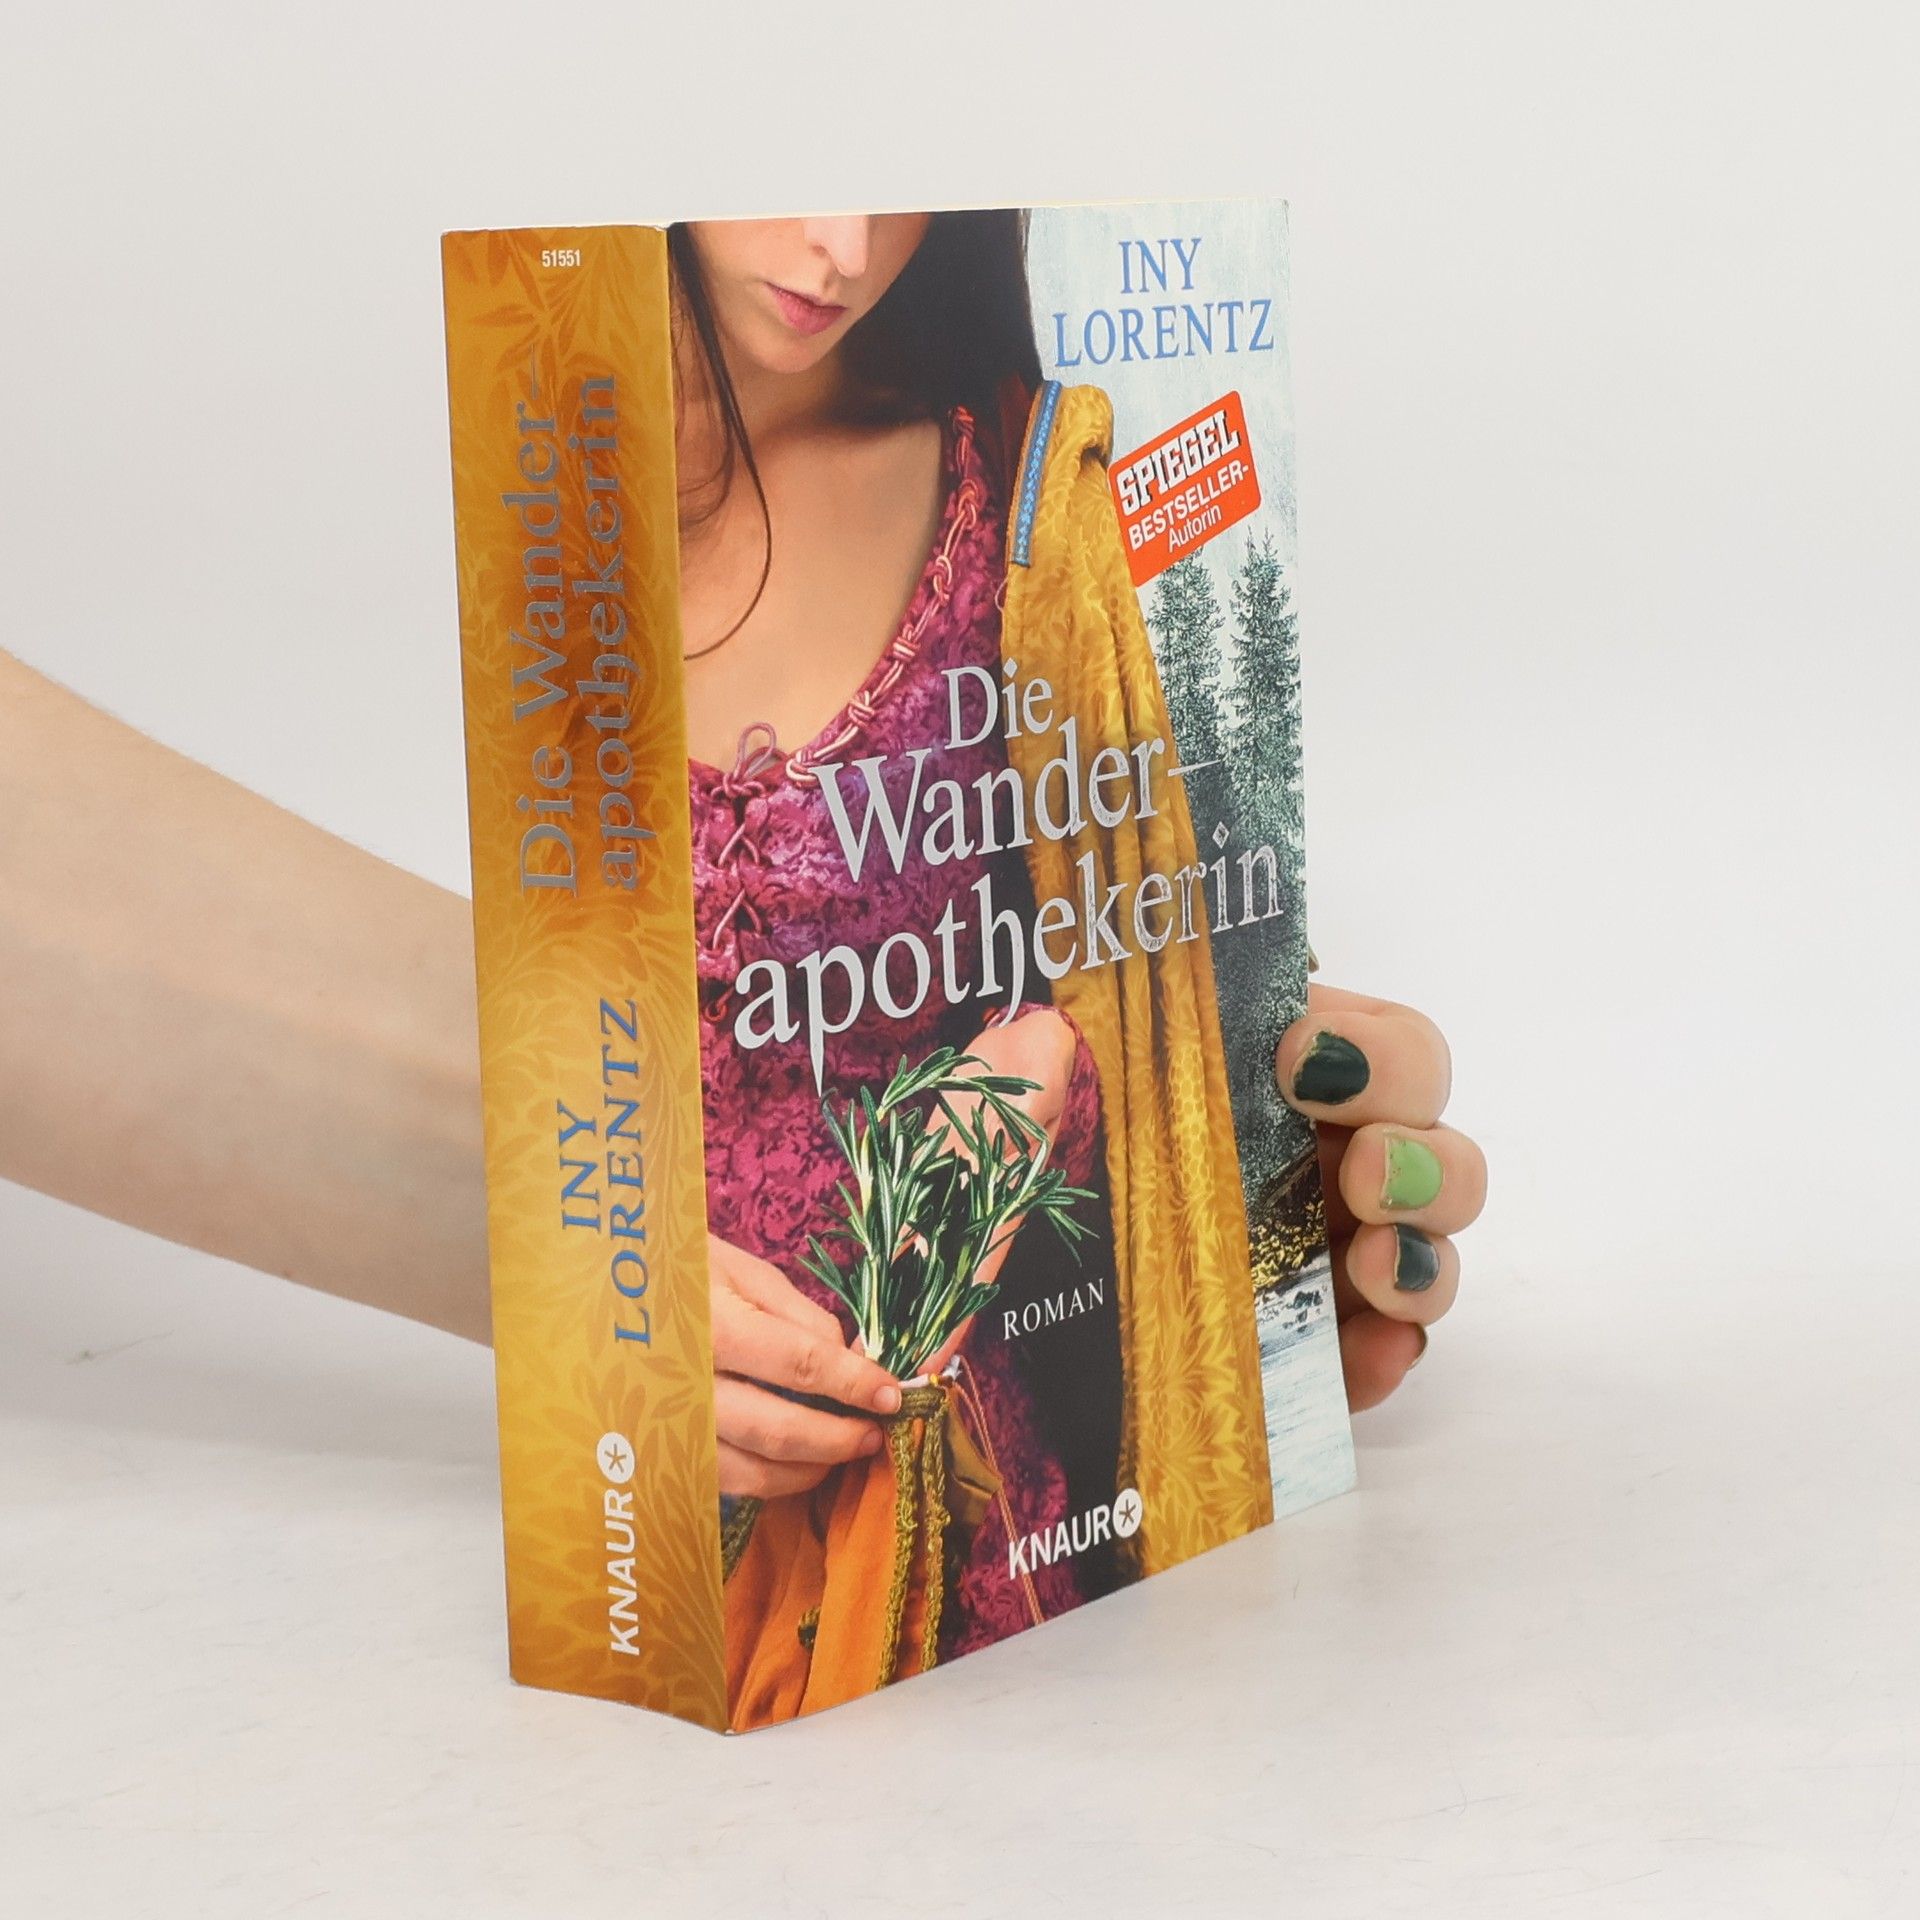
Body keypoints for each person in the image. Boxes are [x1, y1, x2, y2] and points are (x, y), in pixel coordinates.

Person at [0, 210, 1486, 1651]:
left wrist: (1162, 1122)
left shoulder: (1022, 499)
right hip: (683, 1549)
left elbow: (1095, 941)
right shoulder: (526, 471)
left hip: (952, 1499)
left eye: (897, 185)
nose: (844, 248)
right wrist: (572, 1232)